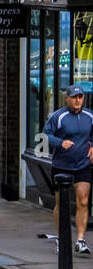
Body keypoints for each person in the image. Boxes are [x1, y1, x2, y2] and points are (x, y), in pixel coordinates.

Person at [43, 83, 93, 255]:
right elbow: (45, 134)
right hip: (61, 166)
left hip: (82, 165)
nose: (78, 100)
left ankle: (80, 240)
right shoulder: (58, 116)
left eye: (80, 97)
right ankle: (60, 237)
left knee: (84, 200)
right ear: (67, 98)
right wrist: (60, 142)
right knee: (61, 205)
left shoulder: (89, 116)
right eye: (74, 97)